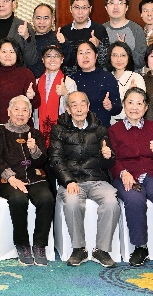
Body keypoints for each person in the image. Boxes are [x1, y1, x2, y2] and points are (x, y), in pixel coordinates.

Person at [108, 87, 153, 268]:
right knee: (134, 199)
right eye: (130, 103)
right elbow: (111, 159)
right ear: (124, 105)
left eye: (139, 103)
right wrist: (123, 173)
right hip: (127, 175)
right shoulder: (114, 130)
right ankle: (140, 248)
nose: (134, 107)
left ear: (146, 108)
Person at [50, 91, 119, 268]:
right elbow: (55, 159)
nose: (79, 109)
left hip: (96, 179)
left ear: (88, 107)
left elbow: (109, 162)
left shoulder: (100, 129)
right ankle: (79, 248)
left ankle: (101, 250)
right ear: (68, 109)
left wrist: (108, 155)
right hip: (71, 180)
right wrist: (68, 180)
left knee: (111, 201)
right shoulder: (59, 129)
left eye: (82, 104)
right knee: (72, 201)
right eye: (74, 105)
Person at [0, 96, 53, 267]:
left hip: (34, 179)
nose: (20, 114)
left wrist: (34, 149)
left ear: (30, 114)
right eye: (16, 109)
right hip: (8, 181)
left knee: (47, 198)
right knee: (18, 199)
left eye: (25, 110)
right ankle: (22, 245)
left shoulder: (35, 133)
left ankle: (39, 245)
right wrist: (11, 177)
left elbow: (42, 161)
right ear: (9, 112)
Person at [64, 41, 122, 127]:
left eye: (88, 52)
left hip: (101, 129)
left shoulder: (107, 77)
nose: (85, 56)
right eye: (81, 53)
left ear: (96, 55)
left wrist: (110, 106)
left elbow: (118, 108)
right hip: (77, 130)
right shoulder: (72, 79)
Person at [59, 0, 109, 75]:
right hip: (70, 79)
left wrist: (98, 46)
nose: (80, 12)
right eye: (77, 7)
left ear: (90, 9)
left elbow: (106, 62)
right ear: (71, 9)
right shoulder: (64, 31)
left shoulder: (99, 29)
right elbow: (62, 62)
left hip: (94, 78)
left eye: (84, 8)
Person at [0, 39, 35, 126]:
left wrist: (31, 98)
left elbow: (36, 104)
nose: (8, 55)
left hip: (21, 127)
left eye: (12, 52)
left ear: (17, 54)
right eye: (4, 52)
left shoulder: (26, 73)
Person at [31, 45, 66, 145]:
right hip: (39, 132)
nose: (52, 59)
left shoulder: (68, 82)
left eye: (56, 56)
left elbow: (74, 108)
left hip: (62, 133)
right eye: (48, 56)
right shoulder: (36, 82)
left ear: (62, 60)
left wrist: (66, 94)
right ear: (43, 59)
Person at [103, 0, 147, 67]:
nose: (116, 7)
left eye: (120, 3)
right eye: (112, 3)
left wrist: (126, 49)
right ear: (106, 7)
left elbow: (141, 61)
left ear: (126, 7)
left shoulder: (136, 29)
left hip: (131, 74)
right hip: (106, 74)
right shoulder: (101, 29)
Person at [107, 42, 145, 123]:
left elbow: (141, 106)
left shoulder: (136, 78)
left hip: (132, 123)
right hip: (109, 123)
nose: (119, 59)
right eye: (115, 55)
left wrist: (132, 94)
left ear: (128, 57)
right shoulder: (106, 78)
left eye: (123, 55)